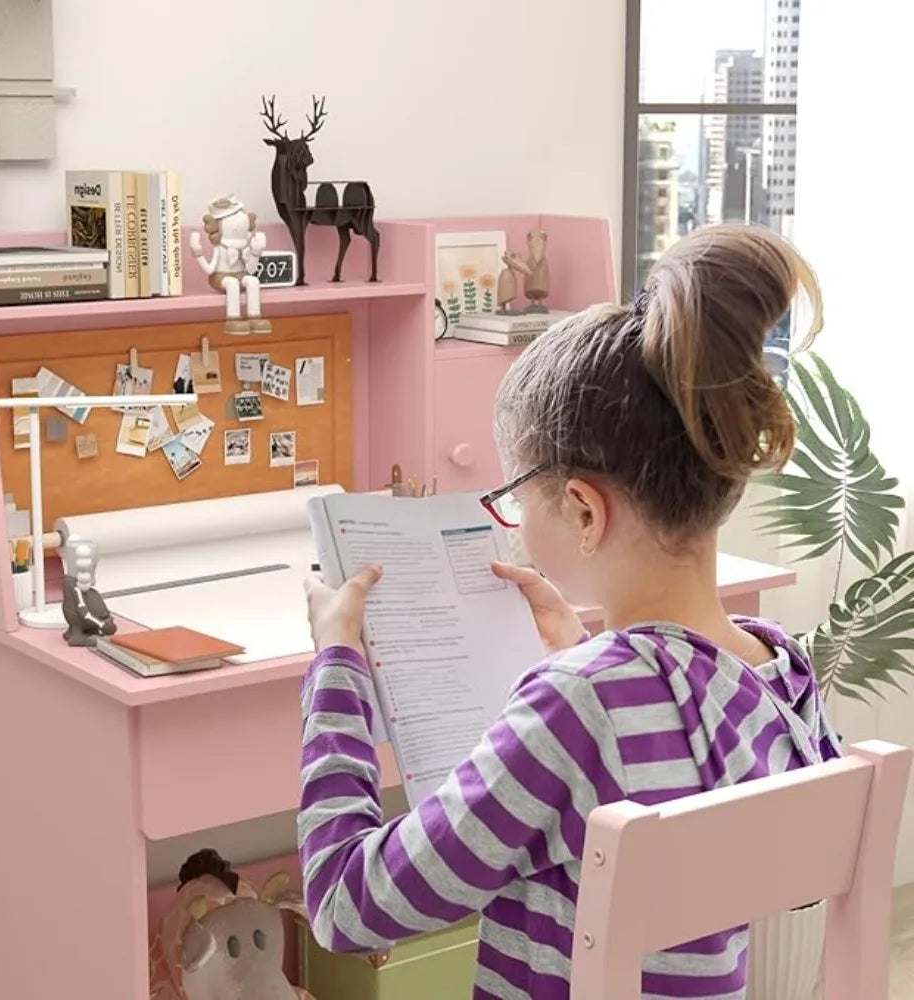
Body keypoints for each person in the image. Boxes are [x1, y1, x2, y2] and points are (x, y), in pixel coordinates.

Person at [299, 223, 839, 1000]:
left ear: (584, 512)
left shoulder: (578, 706)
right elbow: (800, 885)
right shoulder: (780, 676)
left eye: (514, 498)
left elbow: (346, 907)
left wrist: (336, 667)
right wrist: (580, 648)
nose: (512, 521)